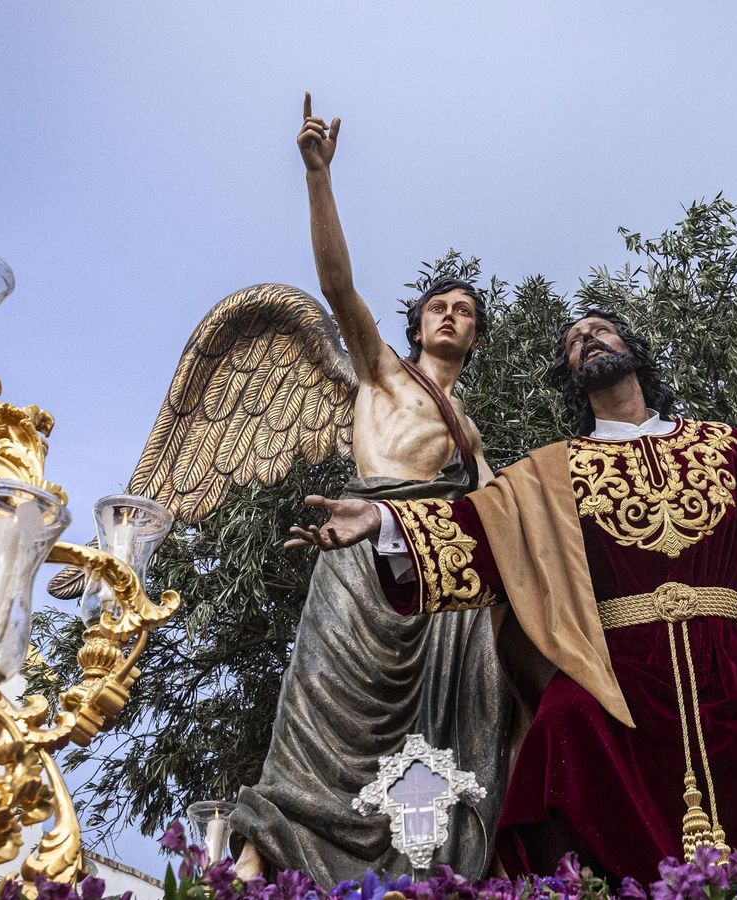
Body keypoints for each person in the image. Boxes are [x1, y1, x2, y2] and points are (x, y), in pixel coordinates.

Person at [288, 308, 737, 882]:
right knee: (560, 734)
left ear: (635, 352)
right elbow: (482, 532)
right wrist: (384, 522)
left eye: (600, 330)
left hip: (729, 683)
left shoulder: (727, 449)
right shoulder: (552, 474)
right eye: (575, 341)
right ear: (571, 375)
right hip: (617, 684)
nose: (589, 340)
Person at [230, 94, 509, 882]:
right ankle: (257, 862)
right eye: (439, 308)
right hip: (359, 555)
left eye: (465, 313)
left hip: (434, 585)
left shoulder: (471, 432)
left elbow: (496, 519)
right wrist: (320, 178)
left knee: (433, 737)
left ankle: (414, 871)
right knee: (319, 705)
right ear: (417, 324)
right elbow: (335, 279)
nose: (450, 317)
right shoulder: (384, 372)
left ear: (476, 337)